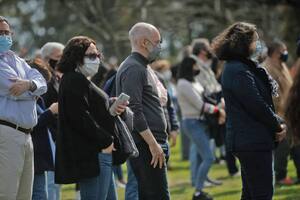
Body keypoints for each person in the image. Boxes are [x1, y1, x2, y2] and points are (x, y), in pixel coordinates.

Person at [212, 22, 287, 200]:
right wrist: (277, 126)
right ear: (244, 44)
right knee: (262, 194)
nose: (258, 45)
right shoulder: (238, 70)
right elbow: (256, 105)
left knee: (250, 194)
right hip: (252, 141)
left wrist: (277, 122)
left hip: (250, 139)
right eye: (255, 41)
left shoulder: (241, 67)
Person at [55, 36, 127, 200]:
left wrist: (110, 104)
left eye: (97, 55)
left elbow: (89, 109)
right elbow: (80, 117)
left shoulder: (80, 80)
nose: (96, 59)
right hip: (92, 154)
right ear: (76, 56)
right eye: (91, 56)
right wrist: (106, 141)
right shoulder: (73, 79)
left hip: (98, 152)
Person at [115, 22, 170, 200]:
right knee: (158, 196)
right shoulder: (133, 67)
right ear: (144, 43)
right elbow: (134, 111)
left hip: (153, 142)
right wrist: (153, 144)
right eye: (157, 41)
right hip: (147, 145)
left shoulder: (142, 65)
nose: (160, 46)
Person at [0, 16, 47, 199]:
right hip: (7, 132)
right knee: (6, 193)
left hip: (26, 134)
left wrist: (29, 86)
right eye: (0, 33)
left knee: (24, 195)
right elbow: (10, 88)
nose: (5, 36)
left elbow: (42, 82)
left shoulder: (17, 60)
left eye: (7, 32)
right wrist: (33, 89)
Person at [177, 56, 224, 200]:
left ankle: (199, 190)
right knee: (209, 157)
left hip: (201, 122)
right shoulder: (183, 84)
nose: (198, 68)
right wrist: (218, 110)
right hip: (192, 123)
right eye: (195, 66)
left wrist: (218, 104)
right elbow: (200, 105)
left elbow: (206, 96)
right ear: (189, 66)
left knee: (199, 158)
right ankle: (198, 192)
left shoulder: (193, 81)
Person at [263, 40, 295, 185]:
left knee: (289, 146)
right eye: (284, 50)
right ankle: (280, 177)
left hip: (289, 113)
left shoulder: (282, 66)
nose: (286, 53)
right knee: (282, 147)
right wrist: (280, 115)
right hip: (279, 115)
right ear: (276, 53)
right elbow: (273, 95)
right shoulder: (267, 69)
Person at [28, 58, 58, 200]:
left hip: (39, 158)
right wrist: (50, 112)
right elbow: (31, 124)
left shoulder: (37, 98)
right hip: (32, 156)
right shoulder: (25, 99)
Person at [40, 41, 64, 200]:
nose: (62, 60)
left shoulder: (56, 77)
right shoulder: (44, 79)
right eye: (58, 57)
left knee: (56, 181)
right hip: (49, 134)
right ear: (47, 59)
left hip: (57, 133)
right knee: (50, 181)